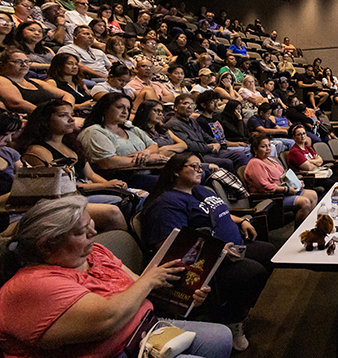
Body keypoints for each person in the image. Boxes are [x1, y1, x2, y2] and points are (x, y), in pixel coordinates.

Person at [0, 196, 233, 358]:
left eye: (91, 224)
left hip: (144, 329)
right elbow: (107, 319)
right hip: (116, 351)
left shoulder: (94, 252)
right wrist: (149, 280)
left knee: (222, 336)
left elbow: (136, 285)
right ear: (46, 246)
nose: (94, 233)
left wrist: (183, 293)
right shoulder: (33, 284)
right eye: (81, 232)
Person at [143, 153, 275, 351]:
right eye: (194, 167)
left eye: (200, 167)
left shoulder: (199, 191)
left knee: (270, 253)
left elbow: (219, 213)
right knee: (254, 272)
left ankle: (239, 308)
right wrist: (218, 250)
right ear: (176, 171)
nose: (200, 170)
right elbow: (173, 246)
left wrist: (242, 221)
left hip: (230, 248)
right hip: (205, 264)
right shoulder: (167, 203)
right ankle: (232, 319)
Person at [15, 100, 129, 232]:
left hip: (84, 191)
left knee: (135, 197)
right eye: (63, 115)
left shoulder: (72, 145)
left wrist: (112, 184)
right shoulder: (38, 150)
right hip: (64, 199)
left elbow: (91, 174)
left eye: (71, 115)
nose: (71, 120)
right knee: (113, 211)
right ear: (45, 120)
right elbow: (55, 188)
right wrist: (104, 186)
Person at [77, 93, 168, 190]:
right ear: (105, 108)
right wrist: (147, 159)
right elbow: (107, 162)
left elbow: (153, 145)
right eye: (120, 107)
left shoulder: (130, 128)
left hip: (147, 171)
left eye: (128, 109)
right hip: (120, 178)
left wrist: (146, 152)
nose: (125, 112)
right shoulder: (94, 131)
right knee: (170, 183)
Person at [244, 132, 317, 225]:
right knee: (304, 202)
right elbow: (264, 187)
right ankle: (300, 233)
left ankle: (310, 226)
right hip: (272, 197)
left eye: (269, 145)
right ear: (255, 149)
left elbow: (285, 175)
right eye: (263, 147)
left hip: (284, 191)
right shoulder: (255, 163)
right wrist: (286, 190)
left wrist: (297, 183)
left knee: (313, 194)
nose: (268, 149)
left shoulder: (271, 159)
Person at [165, 94, 250, 172]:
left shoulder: (192, 121)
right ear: (175, 107)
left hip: (208, 151)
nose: (189, 107)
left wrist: (215, 143)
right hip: (196, 155)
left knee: (240, 155)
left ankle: (244, 182)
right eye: (186, 103)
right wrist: (210, 147)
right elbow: (189, 145)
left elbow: (204, 135)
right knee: (227, 162)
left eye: (192, 104)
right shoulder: (173, 124)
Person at [0, 48, 74, 113]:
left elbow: (67, 95)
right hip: (34, 119)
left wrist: (65, 112)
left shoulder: (35, 81)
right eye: (18, 61)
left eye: (26, 61)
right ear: (3, 64)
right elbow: (16, 103)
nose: (24, 65)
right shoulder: (2, 80)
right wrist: (47, 116)